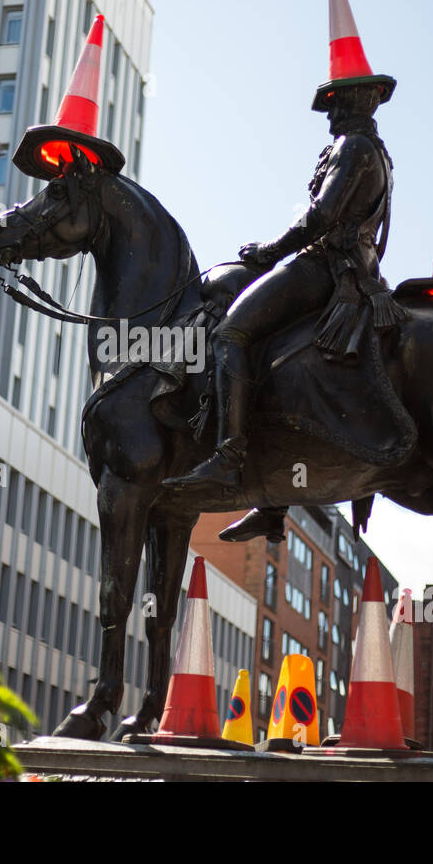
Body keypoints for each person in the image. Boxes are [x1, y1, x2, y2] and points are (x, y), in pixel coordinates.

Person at [162, 79, 411, 542]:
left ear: (361, 100)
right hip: (354, 268)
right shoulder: (373, 150)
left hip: (330, 267)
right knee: (273, 354)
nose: (330, 113)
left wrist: (270, 250)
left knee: (230, 335)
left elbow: (321, 215)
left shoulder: (354, 146)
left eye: (335, 102)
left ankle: (229, 458)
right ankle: (272, 506)